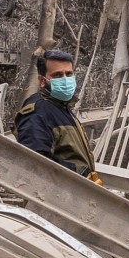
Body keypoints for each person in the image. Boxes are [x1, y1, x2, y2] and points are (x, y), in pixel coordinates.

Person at [14, 48, 98, 178]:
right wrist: (79, 173)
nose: (65, 80)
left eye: (69, 74)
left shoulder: (60, 107)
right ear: (42, 81)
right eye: (57, 75)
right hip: (63, 189)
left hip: (76, 188)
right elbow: (36, 163)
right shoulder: (37, 112)